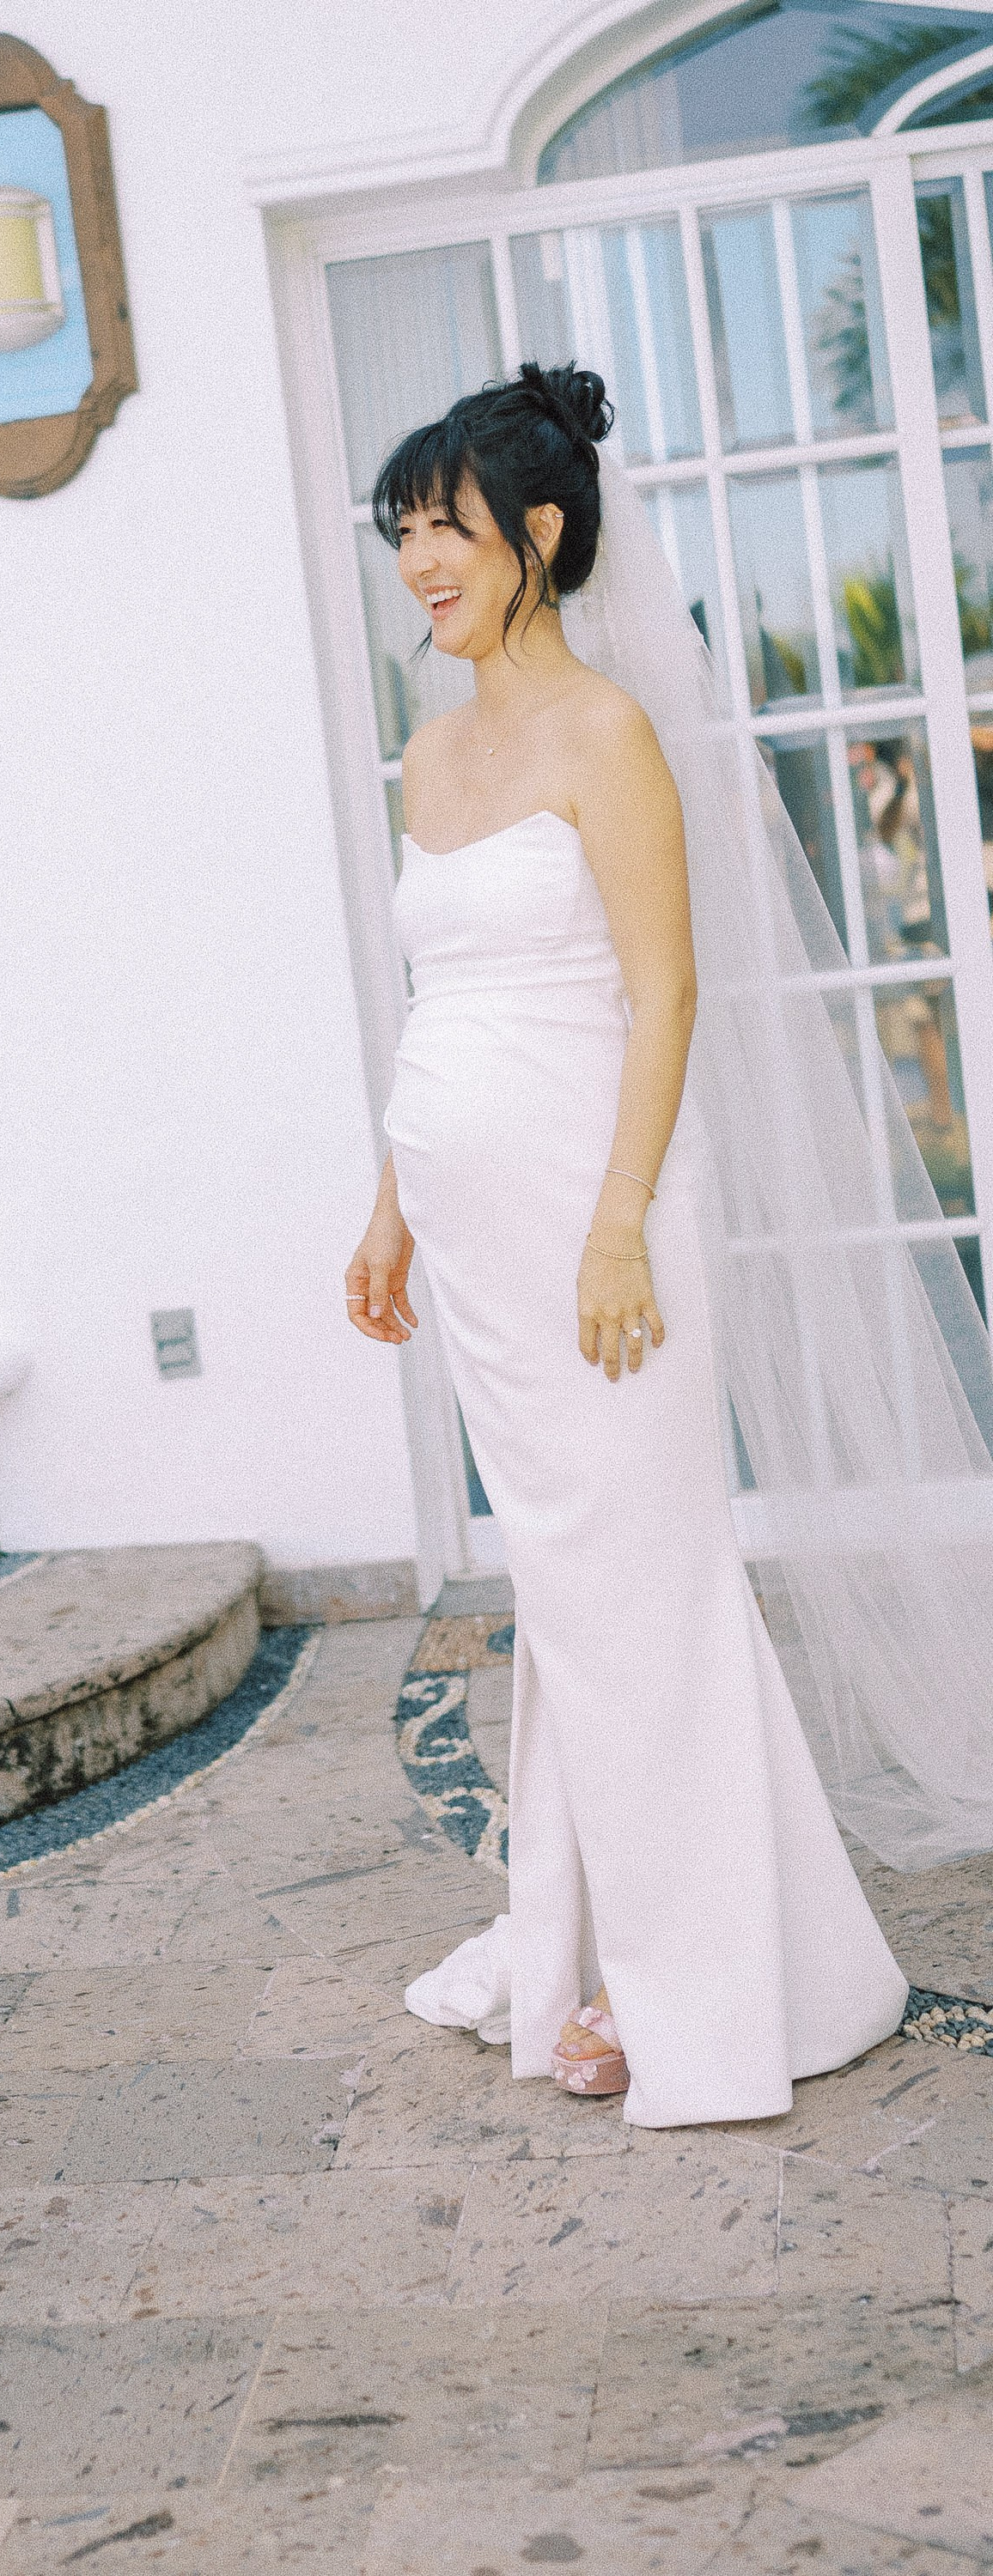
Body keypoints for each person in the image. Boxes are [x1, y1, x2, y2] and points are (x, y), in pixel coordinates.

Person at [344, 364, 913, 2127]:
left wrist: (613, 1230)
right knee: (572, 1597)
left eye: (441, 527)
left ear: (534, 531)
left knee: (638, 1590)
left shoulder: (608, 735)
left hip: (604, 1226)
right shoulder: (429, 750)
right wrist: (389, 1208)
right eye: (400, 533)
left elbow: (665, 991)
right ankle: (616, 1939)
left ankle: (691, 1992)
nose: (415, 562)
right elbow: (435, 998)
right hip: (475, 1230)